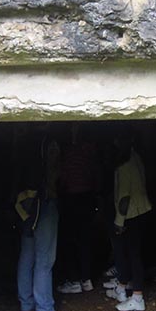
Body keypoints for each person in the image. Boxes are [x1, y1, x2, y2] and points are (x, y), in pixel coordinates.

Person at [15, 128, 73, 311]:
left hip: (24, 207)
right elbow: (53, 179)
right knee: (44, 260)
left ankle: (26, 305)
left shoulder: (24, 145)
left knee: (27, 256)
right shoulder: (49, 153)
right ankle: (45, 310)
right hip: (43, 204)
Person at [107, 130, 152, 311]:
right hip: (142, 210)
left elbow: (124, 198)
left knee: (133, 256)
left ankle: (138, 297)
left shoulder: (124, 164)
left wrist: (119, 222)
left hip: (131, 214)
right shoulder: (136, 157)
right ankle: (128, 289)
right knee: (135, 254)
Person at [56, 123, 101, 295]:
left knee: (70, 240)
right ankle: (86, 279)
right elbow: (94, 173)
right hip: (87, 197)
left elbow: (63, 178)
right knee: (85, 239)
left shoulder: (67, 153)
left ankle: (74, 280)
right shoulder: (89, 152)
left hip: (72, 199)